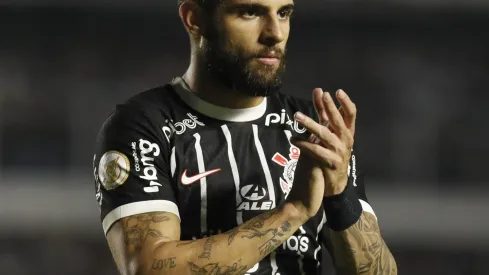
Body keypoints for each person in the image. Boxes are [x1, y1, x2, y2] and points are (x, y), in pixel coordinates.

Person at [92, 0, 397, 274]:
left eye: (284, 13)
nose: (275, 33)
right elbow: (149, 268)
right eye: (250, 12)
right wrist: (294, 210)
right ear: (194, 18)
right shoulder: (143, 126)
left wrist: (340, 194)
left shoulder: (315, 128)